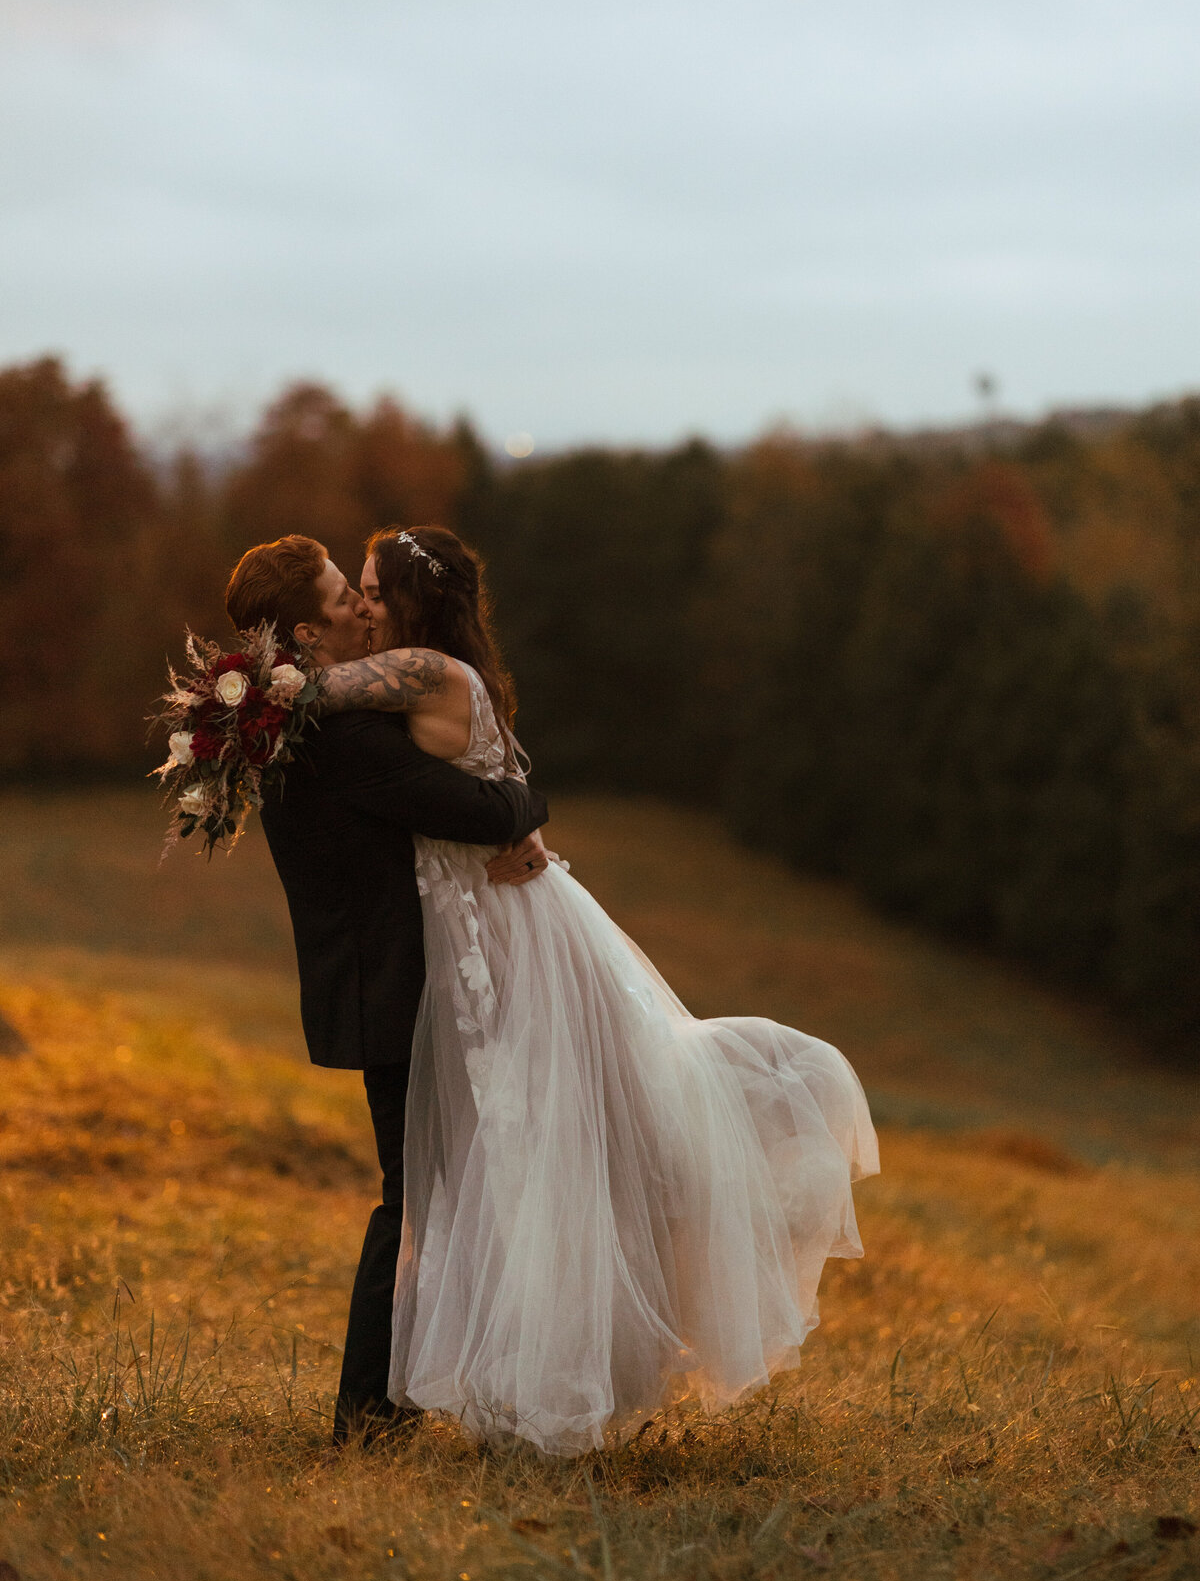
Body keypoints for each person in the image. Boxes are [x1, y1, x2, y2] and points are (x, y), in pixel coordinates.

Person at [316, 523, 880, 1457]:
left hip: (504, 934)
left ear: (412, 601)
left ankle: (539, 1378)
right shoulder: (453, 672)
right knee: (529, 1148)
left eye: (371, 588)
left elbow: (319, 691)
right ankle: (524, 1373)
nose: (362, 605)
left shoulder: (417, 667)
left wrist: (242, 690)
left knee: (540, 1144)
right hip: (495, 918)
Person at [223, 534, 550, 1445]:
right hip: (398, 988)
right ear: (304, 628)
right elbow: (480, 809)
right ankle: (367, 1414)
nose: (361, 609)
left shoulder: (306, 723)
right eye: (342, 598)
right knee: (413, 1200)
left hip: (395, 979)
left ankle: (394, 1402)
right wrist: (528, 807)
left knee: (427, 1194)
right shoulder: (341, 736)